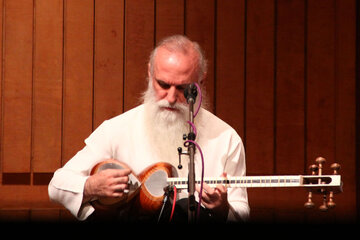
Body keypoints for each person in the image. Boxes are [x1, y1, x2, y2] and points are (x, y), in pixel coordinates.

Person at [48, 35, 250, 223]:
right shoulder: (116, 129)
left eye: (182, 88)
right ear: (149, 73)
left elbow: (241, 211)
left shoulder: (226, 138)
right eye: (163, 84)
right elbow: (57, 185)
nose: (171, 98)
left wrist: (222, 209)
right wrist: (91, 187)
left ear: (200, 82)